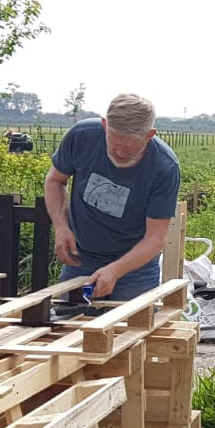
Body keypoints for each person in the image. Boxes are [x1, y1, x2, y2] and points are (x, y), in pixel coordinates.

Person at [45, 93, 181, 300]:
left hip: (135, 269)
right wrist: (61, 227)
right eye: (114, 142)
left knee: (132, 330)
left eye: (129, 146)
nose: (119, 152)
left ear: (149, 135)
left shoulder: (164, 167)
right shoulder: (81, 136)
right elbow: (55, 180)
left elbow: (155, 238)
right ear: (104, 125)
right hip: (80, 260)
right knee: (66, 324)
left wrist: (116, 270)